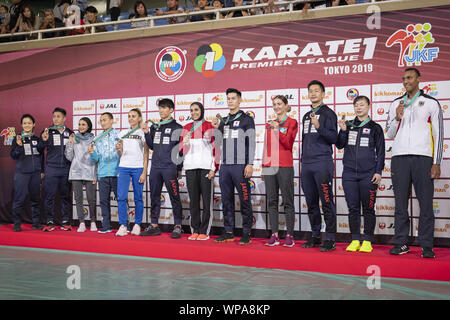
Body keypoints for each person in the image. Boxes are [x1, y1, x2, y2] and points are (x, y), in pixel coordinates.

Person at [385, 68, 443, 258]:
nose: (406, 81)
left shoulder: (431, 103)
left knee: (426, 204)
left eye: (409, 77)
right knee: (400, 205)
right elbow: (390, 133)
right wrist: (397, 117)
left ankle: (427, 245)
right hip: (399, 158)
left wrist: (436, 162)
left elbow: (439, 134)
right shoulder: (396, 104)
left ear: (419, 79)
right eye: (403, 78)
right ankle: (401, 243)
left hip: (423, 158)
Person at [336, 96, 385, 253]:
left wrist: (378, 171)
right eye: (356, 105)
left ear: (369, 106)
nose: (359, 108)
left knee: (369, 208)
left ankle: (367, 240)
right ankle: (355, 239)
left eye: (362, 105)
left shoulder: (375, 127)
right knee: (353, 209)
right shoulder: (348, 125)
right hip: (349, 174)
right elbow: (339, 144)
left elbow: (381, 152)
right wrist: (343, 130)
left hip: (368, 174)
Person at [212, 88, 256, 245]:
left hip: (240, 166)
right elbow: (218, 142)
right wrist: (217, 128)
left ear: (239, 100)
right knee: (226, 200)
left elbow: (251, 143)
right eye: (228, 99)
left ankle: (246, 232)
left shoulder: (246, 119)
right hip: (225, 166)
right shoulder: (224, 120)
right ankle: (228, 231)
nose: (230, 101)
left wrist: (250, 163)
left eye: (233, 98)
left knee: (245, 199)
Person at [301, 80, 338, 252]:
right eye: (311, 91)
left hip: (322, 162)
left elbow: (334, 139)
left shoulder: (328, 114)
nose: (313, 93)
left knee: (326, 201)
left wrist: (319, 127)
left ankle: (330, 238)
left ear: (323, 94)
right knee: (311, 203)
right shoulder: (305, 115)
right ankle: (315, 235)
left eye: (317, 91)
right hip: (307, 164)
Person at [141, 98, 184, 238]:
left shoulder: (177, 127)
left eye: (164, 108)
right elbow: (152, 146)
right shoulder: (155, 126)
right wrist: (147, 133)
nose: (161, 110)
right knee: (154, 196)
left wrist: (179, 168)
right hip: (155, 168)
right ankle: (154, 225)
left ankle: (178, 225)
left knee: (174, 197)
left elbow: (181, 150)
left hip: (169, 167)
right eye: (160, 107)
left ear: (171, 110)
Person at [263, 95, 298, 247]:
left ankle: (289, 234)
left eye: (279, 104)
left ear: (285, 105)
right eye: (274, 104)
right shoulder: (269, 124)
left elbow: (288, 143)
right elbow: (266, 147)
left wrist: (278, 130)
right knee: (272, 201)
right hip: (270, 166)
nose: (276, 106)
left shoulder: (292, 122)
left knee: (288, 201)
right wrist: (264, 166)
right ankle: (275, 234)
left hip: (285, 166)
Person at [180, 102, 218, 240]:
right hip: (190, 168)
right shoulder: (186, 128)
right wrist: (185, 142)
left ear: (202, 110)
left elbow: (216, 149)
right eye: (191, 110)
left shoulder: (209, 126)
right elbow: (182, 151)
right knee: (194, 201)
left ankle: (204, 231)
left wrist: (214, 168)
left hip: (206, 169)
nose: (194, 112)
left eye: (196, 110)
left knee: (207, 201)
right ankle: (195, 229)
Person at [115, 108, 149, 237]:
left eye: (134, 116)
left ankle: (137, 224)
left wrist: (144, 171)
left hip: (138, 168)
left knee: (138, 198)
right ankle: (123, 225)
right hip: (123, 167)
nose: (131, 118)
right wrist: (119, 149)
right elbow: (120, 153)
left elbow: (146, 154)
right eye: (129, 116)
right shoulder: (122, 133)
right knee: (122, 197)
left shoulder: (143, 133)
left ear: (140, 118)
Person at [39, 107, 74, 232]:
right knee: (49, 196)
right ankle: (49, 221)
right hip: (51, 169)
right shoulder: (47, 131)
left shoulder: (70, 133)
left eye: (59, 116)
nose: (56, 119)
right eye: (54, 116)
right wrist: (43, 140)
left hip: (66, 169)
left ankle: (65, 221)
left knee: (65, 196)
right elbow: (40, 150)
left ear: (64, 118)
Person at [10, 114, 44, 231]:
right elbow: (13, 156)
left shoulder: (36, 139)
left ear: (33, 124)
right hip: (22, 174)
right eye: (24, 123)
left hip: (35, 173)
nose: (27, 125)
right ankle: (17, 223)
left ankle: (36, 223)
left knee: (35, 199)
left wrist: (42, 171)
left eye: (29, 123)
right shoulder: (17, 138)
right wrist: (19, 147)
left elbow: (41, 155)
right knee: (19, 199)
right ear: (21, 125)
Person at [89, 112, 121, 234]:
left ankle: (125, 224)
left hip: (117, 173)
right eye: (101, 120)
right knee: (103, 201)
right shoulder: (97, 138)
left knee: (121, 200)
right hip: (102, 174)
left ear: (112, 120)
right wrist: (92, 153)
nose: (103, 122)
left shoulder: (119, 135)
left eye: (105, 120)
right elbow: (96, 159)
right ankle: (106, 226)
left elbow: (123, 154)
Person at [65, 117, 97, 232]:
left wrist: (96, 175)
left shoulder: (94, 139)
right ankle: (81, 222)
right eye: (79, 124)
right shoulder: (74, 138)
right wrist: (69, 144)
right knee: (78, 199)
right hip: (76, 172)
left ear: (88, 126)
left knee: (91, 199)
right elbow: (69, 157)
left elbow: (96, 158)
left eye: (83, 124)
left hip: (90, 171)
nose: (81, 126)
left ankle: (93, 221)